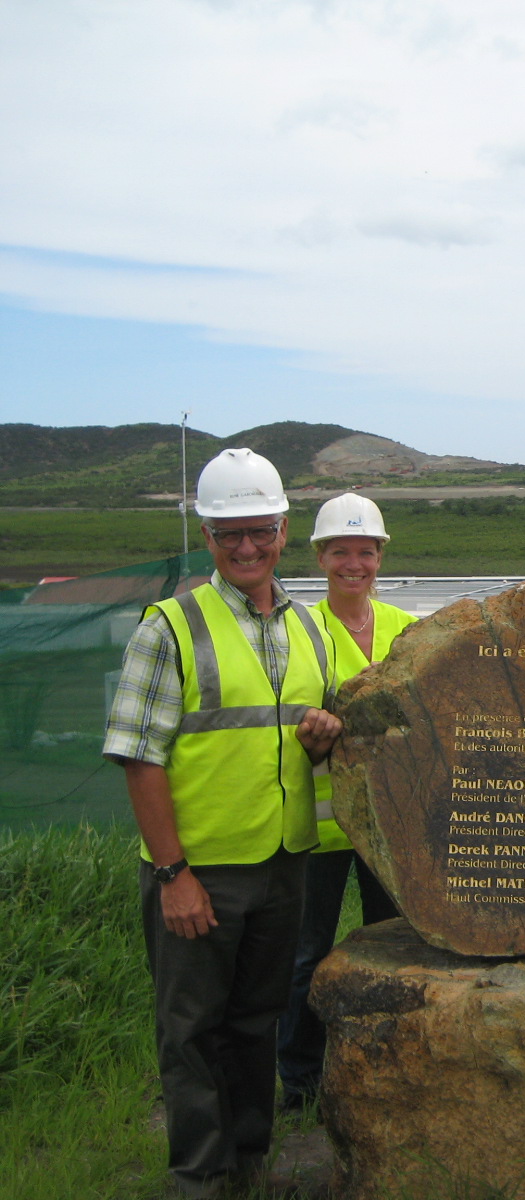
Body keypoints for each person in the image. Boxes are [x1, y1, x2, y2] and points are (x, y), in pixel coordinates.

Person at [103, 448, 341, 1198]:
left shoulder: (310, 626)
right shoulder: (168, 627)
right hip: (198, 871)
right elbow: (140, 759)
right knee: (194, 1032)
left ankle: (249, 1162)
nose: (246, 548)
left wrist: (321, 736)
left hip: (281, 863)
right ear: (206, 536)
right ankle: (200, 1179)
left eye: (260, 531)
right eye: (228, 533)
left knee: (257, 1022)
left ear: (282, 529)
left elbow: (318, 725)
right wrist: (172, 875)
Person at [276, 493, 415, 1112]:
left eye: (364, 551)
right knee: (307, 952)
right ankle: (301, 1076)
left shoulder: (404, 628)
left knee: (394, 944)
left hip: (390, 825)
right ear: (320, 556)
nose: (353, 563)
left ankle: (392, 1057)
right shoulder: (301, 631)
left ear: (380, 556)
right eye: (340, 551)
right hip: (326, 825)